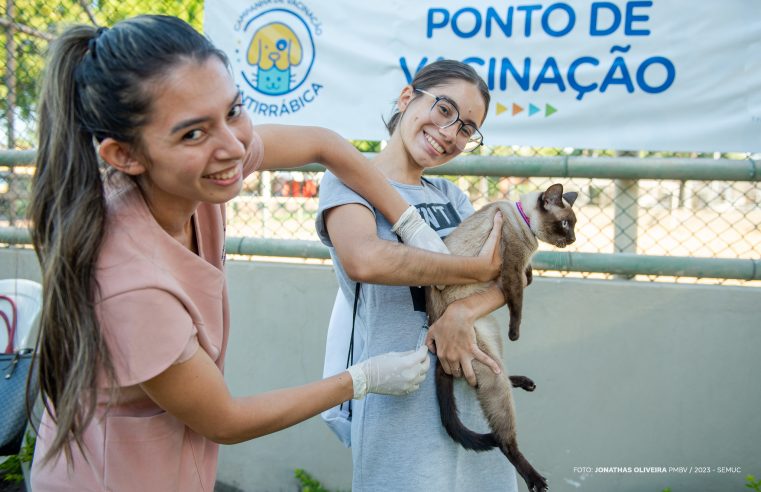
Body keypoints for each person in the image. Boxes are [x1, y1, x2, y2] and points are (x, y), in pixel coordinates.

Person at [26, 15, 457, 491]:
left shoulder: (199, 173)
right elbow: (225, 420)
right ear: (125, 156)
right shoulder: (128, 282)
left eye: (233, 110)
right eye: (194, 133)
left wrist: (409, 222)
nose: (234, 147)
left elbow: (324, 144)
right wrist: (361, 378)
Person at [316, 59, 519, 491]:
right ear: (408, 97)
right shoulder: (347, 183)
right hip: (399, 394)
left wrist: (460, 315)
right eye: (445, 110)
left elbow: (508, 275)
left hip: (470, 382)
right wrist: (472, 269)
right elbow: (366, 260)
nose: (450, 133)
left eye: (466, 128)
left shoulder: (449, 195)